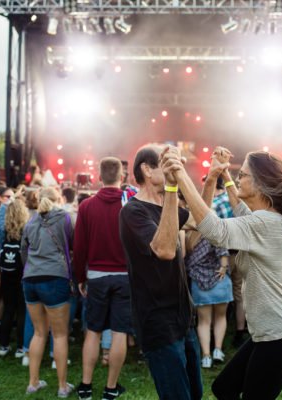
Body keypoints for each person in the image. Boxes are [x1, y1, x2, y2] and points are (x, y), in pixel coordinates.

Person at [162, 146, 282, 400]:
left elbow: (216, 229)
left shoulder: (267, 222)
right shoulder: (267, 217)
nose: (238, 177)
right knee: (224, 388)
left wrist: (180, 174)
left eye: (242, 174)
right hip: (272, 331)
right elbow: (242, 210)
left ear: (260, 182)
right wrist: (226, 177)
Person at [119, 145, 201, 400]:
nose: (171, 169)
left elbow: (201, 224)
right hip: (158, 321)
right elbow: (165, 250)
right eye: (165, 164)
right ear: (146, 169)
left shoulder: (168, 206)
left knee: (195, 394)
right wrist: (172, 189)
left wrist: (210, 183)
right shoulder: (132, 212)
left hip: (183, 316)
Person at [74, 157, 130, 400]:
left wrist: (79, 277)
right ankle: (110, 388)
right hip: (125, 277)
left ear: (98, 176)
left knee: (93, 332)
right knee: (119, 332)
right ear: (122, 177)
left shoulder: (86, 206)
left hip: (96, 275)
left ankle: (85, 386)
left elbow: (79, 246)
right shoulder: (130, 204)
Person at [21, 187, 75, 397]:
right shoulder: (65, 218)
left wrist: (32, 267)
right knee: (60, 334)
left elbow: (23, 252)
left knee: (39, 332)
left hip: (31, 278)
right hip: (55, 278)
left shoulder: (30, 221)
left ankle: (33, 383)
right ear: (57, 199)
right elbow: (73, 244)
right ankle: (62, 387)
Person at [182, 208, 231, 369]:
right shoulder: (215, 233)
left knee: (203, 322)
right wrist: (223, 267)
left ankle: (206, 356)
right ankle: (217, 350)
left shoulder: (190, 236)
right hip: (219, 279)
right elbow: (223, 252)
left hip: (198, 281)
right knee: (221, 317)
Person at [210, 176, 247, 347]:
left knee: (216, 295)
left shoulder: (212, 204)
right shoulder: (233, 200)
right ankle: (239, 332)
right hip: (239, 251)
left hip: (220, 256)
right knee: (239, 294)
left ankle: (214, 336)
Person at [0, 199, 29, 358]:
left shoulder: (5, 229)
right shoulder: (26, 229)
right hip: (22, 273)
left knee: (8, 308)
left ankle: (3, 346)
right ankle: (20, 347)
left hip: (6, 273)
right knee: (22, 310)